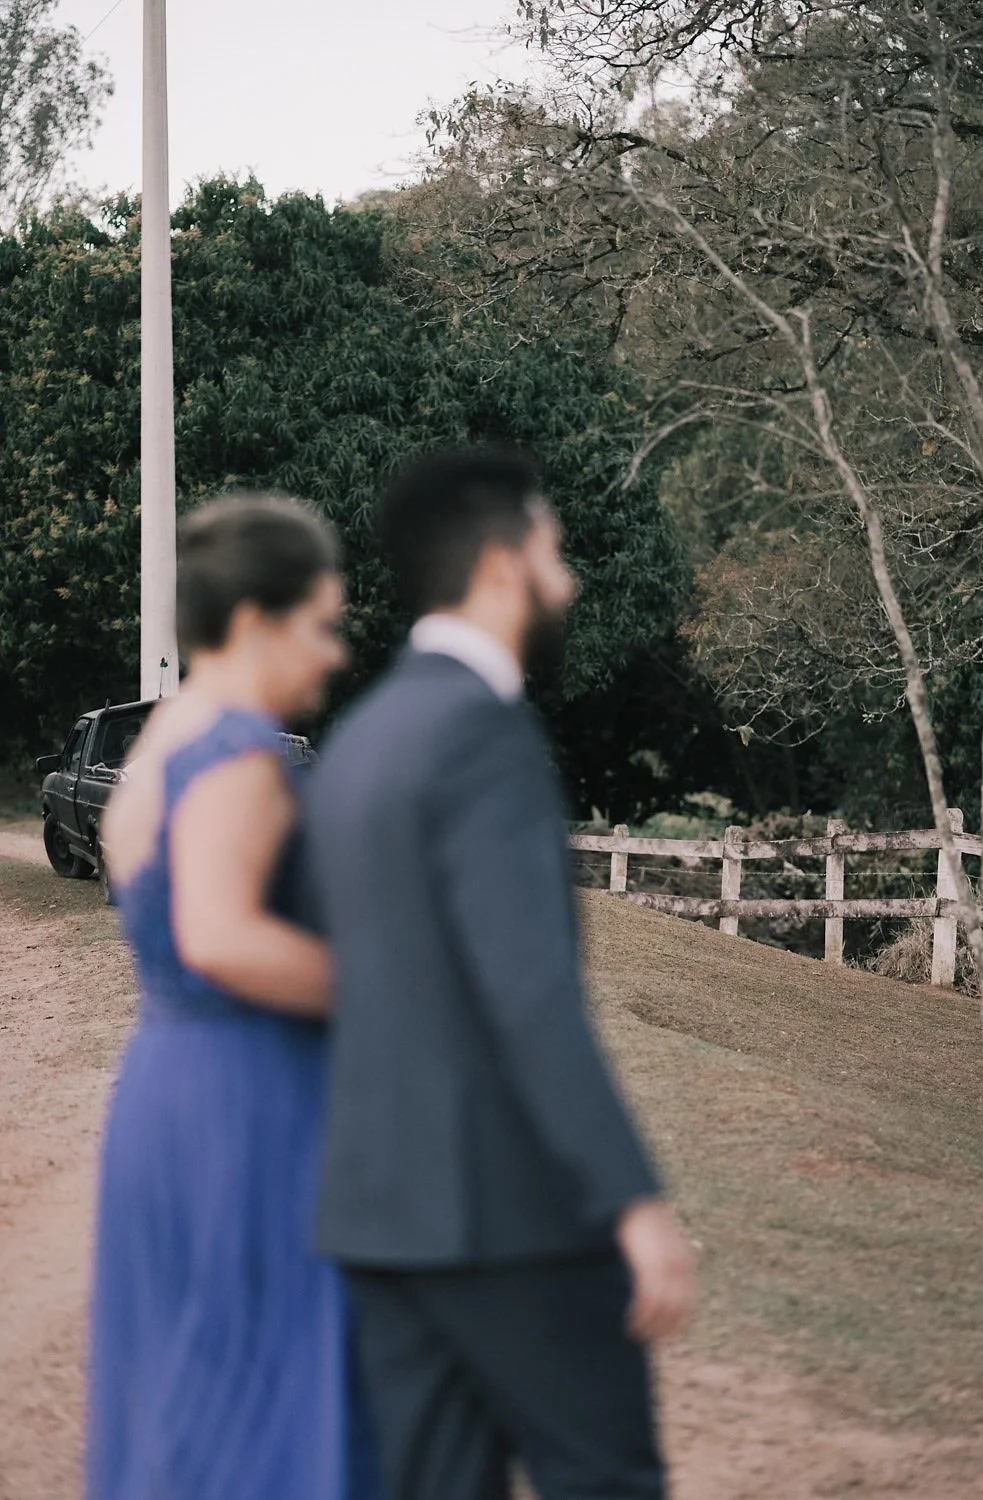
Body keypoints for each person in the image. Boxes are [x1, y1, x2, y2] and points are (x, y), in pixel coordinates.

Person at [306, 448, 697, 1500]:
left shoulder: (357, 743)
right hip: (504, 1213)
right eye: (552, 551)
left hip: (380, 1218)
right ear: (499, 565)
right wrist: (632, 1200)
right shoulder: (484, 737)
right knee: (604, 1479)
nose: (565, 582)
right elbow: (529, 996)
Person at [87, 495, 379, 1500]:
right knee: (262, 1393)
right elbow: (219, 936)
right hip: (245, 1100)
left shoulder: (155, 752)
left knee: (190, 1381)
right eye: (321, 624)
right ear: (255, 621)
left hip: (166, 1089)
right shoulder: (239, 752)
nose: (333, 654)